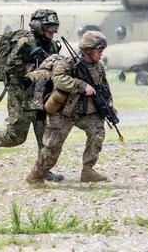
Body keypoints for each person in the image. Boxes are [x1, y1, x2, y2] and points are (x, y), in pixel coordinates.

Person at [0, 9, 64, 182]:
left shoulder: (53, 45)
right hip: (21, 96)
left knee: (46, 137)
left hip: (42, 95)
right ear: (38, 25)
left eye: (54, 27)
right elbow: (11, 69)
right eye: (48, 27)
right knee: (15, 137)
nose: (52, 31)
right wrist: (33, 72)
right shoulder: (25, 43)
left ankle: (42, 171)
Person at [27, 30, 115, 185]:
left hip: (86, 112)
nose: (101, 54)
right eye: (99, 51)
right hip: (64, 112)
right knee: (52, 147)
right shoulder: (69, 62)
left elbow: (104, 87)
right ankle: (36, 175)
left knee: (97, 133)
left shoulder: (98, 66)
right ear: (89, 50)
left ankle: (88, 171)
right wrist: (81, 85)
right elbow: (59, 79)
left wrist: (109, 104)